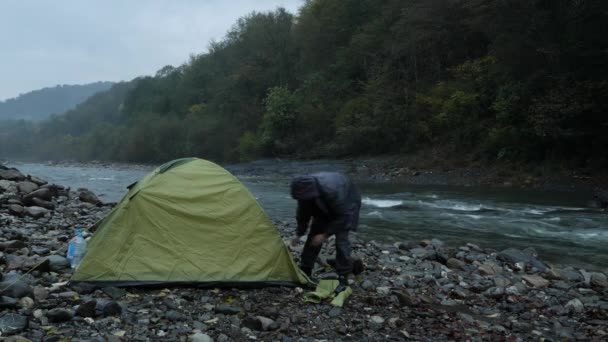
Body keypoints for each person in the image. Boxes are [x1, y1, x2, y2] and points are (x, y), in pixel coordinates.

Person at [289, 172, 362, 292]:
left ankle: (343, 276)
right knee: (313, 236)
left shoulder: (332, 191)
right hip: (323, 203)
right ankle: (305, 270)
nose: (303, 201)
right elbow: (303, 214)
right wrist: (299, 233)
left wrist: (325, 234)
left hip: (347, 202)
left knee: (341, 240)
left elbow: (344, 217)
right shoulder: (304, 193)